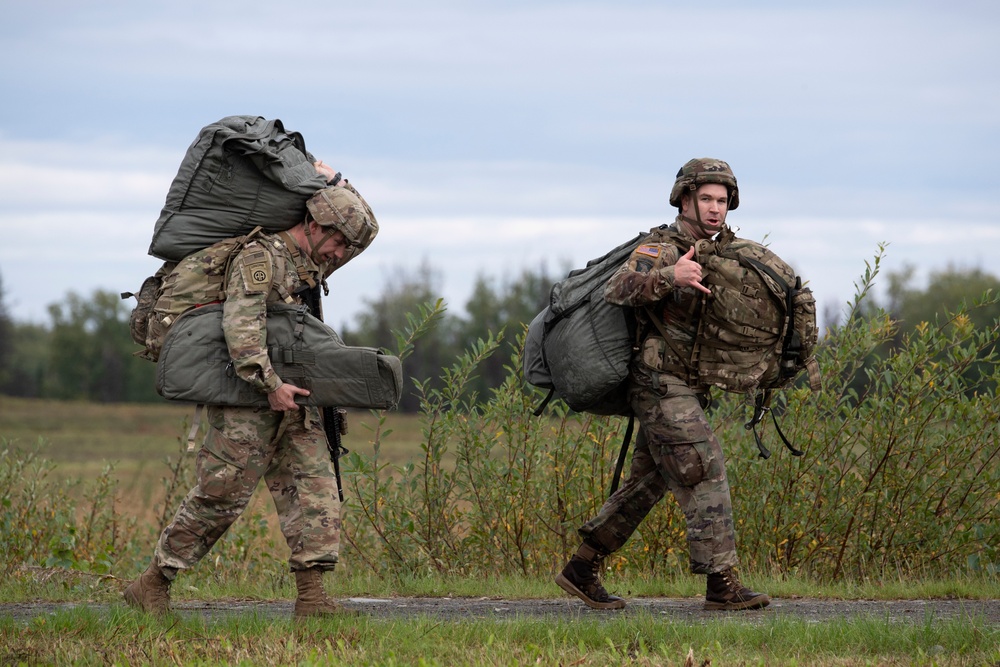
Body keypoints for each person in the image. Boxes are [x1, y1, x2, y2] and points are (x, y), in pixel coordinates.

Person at [123, 177, 378, 619]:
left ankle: (313, 599)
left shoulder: (311, 262)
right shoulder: (261, 257)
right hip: (249, 392)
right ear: (313, 224)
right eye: (337, 241)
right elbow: (242, 327)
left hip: (294, 394)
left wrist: (337, 180)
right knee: (221, 494)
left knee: (314, 487)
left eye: (348, 247)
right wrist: (269, 383)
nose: (341, 253)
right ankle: (153, 582)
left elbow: (365, 223)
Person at [555, 158, 770, 612]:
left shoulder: (717, 253)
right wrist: (671, 276)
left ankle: (581, 566)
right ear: (686, 199)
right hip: (658, 382)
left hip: (684, 383)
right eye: (707, 199)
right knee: (702, 467)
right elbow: (620, 287)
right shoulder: (664, 246)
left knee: (649, 482)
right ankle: (722, 585)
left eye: (723, 200)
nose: (716, 209)